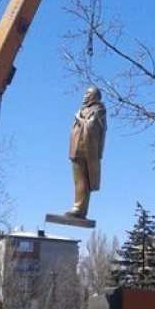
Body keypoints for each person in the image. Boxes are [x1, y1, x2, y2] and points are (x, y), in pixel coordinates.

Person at [67, 85, 107, 219]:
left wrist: (79, 119)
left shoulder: (99, 109)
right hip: (77, 149)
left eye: (88, 94)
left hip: (88, 150)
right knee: (78, 180)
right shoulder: (82, 110)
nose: (85, 96)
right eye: (85, 93)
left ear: (95, 96)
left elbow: (91, 126)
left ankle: (79, 208)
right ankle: (78, 206)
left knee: (85, 179)